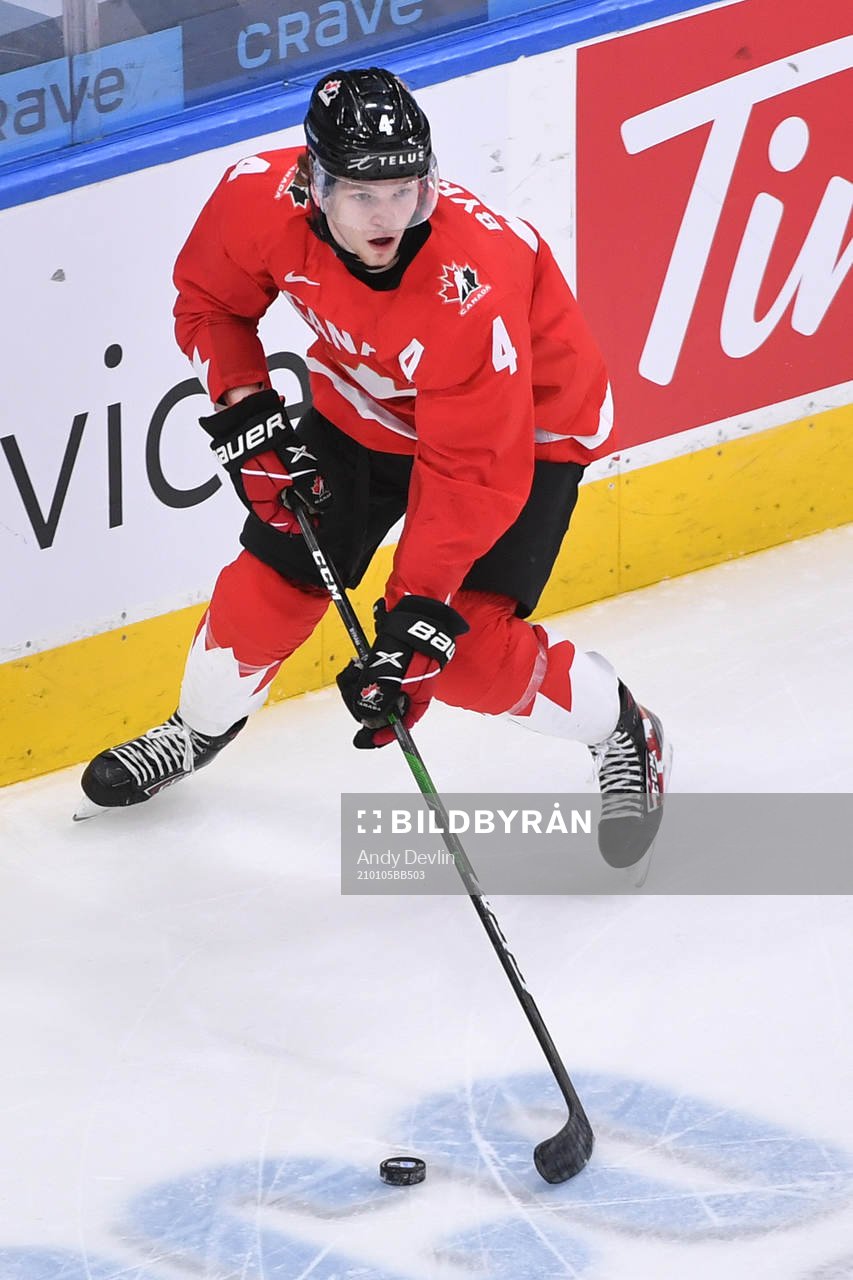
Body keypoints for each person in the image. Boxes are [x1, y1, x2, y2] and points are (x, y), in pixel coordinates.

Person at [78, 67, 669, 865]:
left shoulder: (467, 287)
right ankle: (196, 730)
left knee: (463, 658)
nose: (387, 215)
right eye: (362, 194)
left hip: (524, 431)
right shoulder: (256, 199)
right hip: (368, 405)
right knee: (267, 589)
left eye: (404, 191)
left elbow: (470, 471)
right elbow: (211, 302)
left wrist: (413, 616)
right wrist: (246, 410)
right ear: (314, 185)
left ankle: (623, 727)